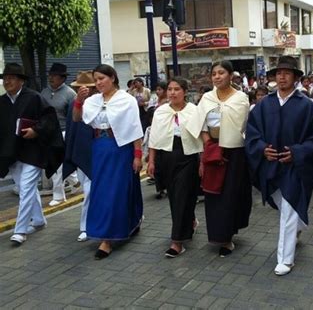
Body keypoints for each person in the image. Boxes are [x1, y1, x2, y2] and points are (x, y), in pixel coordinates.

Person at [245, 56, 313, 275]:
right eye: (278, 73)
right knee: (283, 205)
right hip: (270, 165)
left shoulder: (308, 107)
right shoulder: (263, 105)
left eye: (287, 73)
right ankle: (298, 227)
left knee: (289, 208)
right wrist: (262, 148)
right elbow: (252, 133)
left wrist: (297, 152)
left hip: (295, 167)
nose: (282, 77)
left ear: (296, 78)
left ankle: (285, 258)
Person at [73, 64, 144, 259]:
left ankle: (109, 239)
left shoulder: (127, 100)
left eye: (102, 78)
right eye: (96, 79)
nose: (98, 83)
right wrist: (79, 100)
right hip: (99, 148)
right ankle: (108, 230)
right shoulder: (93, 100)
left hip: (121, 149)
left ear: (112, 78)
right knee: (100, 191)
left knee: (120, 191)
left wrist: (138, 155)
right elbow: (77, 118)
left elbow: (135, 129)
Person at [188, 60, 252, 257]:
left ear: (230, 75)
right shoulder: (207, 98)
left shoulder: (241, 98)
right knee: (213, 193)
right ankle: (218, 235)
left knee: (231, 193)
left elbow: (245, 126)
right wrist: (208, 144)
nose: (217, 76)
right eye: (214, 73)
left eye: (221, 73)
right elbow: (199, 124)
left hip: (234, 152)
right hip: (212, 150)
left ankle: (228, 236)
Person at [0, 63, 64, 245]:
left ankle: (20, 230)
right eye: (5, 78)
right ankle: (38, 220)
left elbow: (50, 119)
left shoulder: (34, 98)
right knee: (24, 188)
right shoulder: (2, 102)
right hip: (12, 152)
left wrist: (36, 130)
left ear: (21, 81)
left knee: (26, 187)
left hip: (33, 151)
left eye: (11, 78)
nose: (7, 81)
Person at [147, 77, 202, 258]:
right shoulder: (160, 112)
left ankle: (177, 241)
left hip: (188, 157)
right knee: (175, 197)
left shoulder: (194, 111)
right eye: (170, 89)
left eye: (177, 89)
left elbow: (201, 137)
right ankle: (190, 221)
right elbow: (154, 138)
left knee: (182, 195)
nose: (172, 93)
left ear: (185, 91)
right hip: (166, 157)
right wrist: (152, 162)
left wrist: (202, 162)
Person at [64, 71, 97, 242]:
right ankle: (85, 226)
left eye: (89, 88)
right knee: (88, 190)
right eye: (82, 88)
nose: (86, 90)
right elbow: (73, 129)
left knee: (96, 190)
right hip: (82, 152)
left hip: (100, 151)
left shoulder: (101, 103)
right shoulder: (73, 104)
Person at [41, 63, 78, 206]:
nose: (51, 78)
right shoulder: (44, 92)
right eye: (50, 75)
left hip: (63, 132)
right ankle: (74, 181)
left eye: (54, 76)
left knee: (57, 165)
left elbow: (74, 117)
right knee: (56, 163)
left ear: (62, 78)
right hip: (47, 133)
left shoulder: (70, 94)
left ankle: (58, 195)